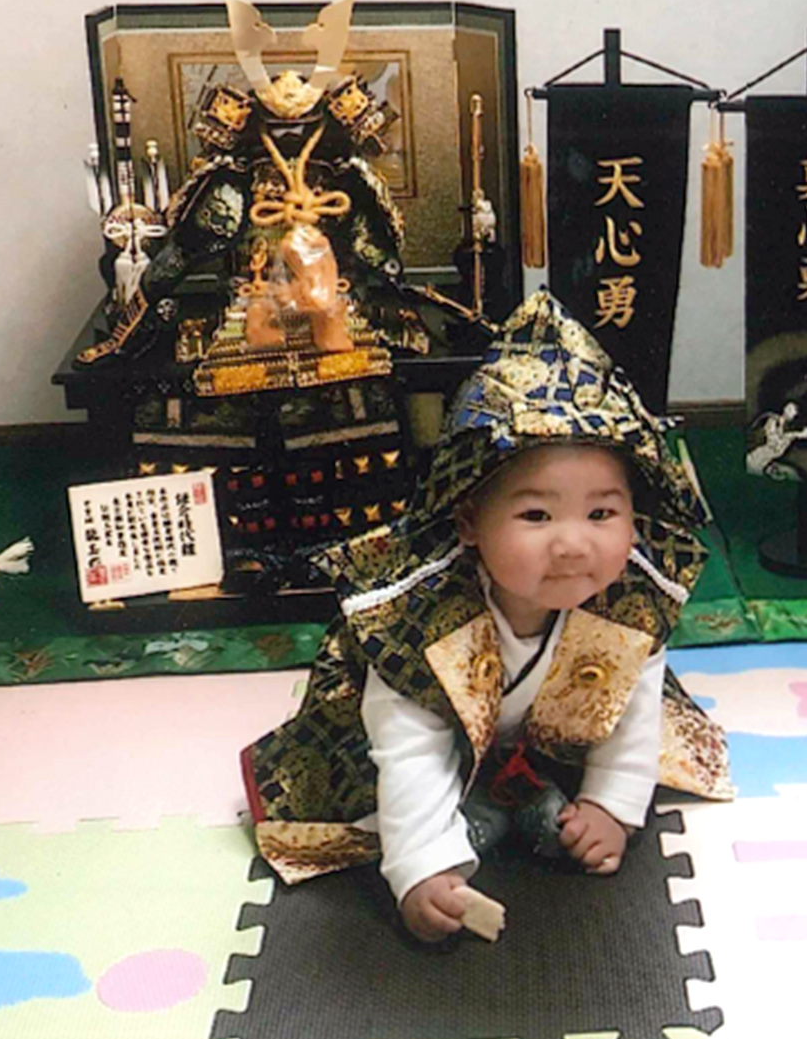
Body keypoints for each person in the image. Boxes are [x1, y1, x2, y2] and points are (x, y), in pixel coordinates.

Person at [241, 290, 732, 940]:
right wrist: (421, 868)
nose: (573, 543)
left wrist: (611, 805)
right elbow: (410, 746)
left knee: (609, 748)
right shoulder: (417, 619)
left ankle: (517, 797)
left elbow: (633, 710)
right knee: (377, 799)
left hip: (543, 733)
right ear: (469, 521)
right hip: (430, 743)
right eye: (536, 514)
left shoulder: (631, 601)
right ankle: (472, 812)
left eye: (602, 513)